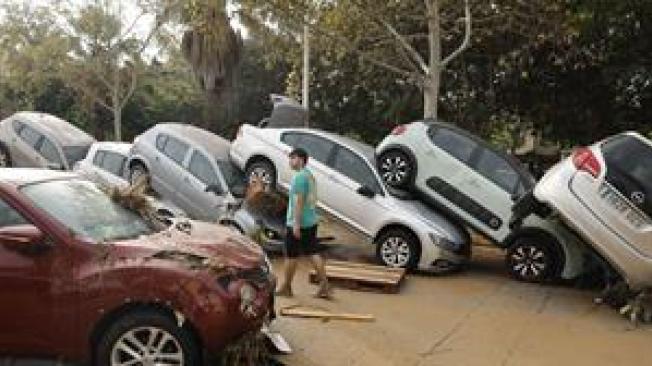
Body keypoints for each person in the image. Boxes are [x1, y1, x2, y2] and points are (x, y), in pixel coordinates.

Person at [276, 148, 332, 299]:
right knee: (313, 253)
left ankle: (286, 287)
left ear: (300, 159)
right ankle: (325, 286)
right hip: (310, 221)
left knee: (291, 256)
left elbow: (299, 201)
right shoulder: (309, 176)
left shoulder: (300, 178)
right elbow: (312, 199)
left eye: (292, 158)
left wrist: (295, 223)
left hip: (299, 222)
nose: (290, 161)